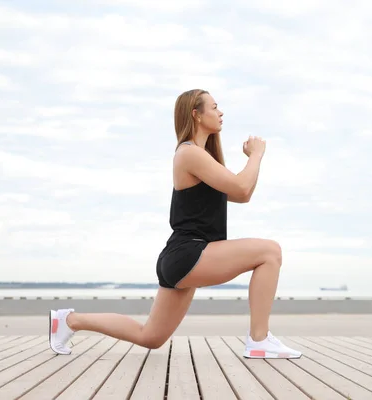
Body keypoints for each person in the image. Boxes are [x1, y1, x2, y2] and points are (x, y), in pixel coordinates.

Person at [48, 89, 302, 359]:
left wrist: (252, 161)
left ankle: (69, 321)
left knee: (150, 337)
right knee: (270, 251)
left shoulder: (203, 158)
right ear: (196, 114)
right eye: (214, 107)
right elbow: (241, 187)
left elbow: (243, 194)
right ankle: (259, 340)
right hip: (189, 252)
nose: (220, 112)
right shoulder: (189, 153)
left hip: (182, 256)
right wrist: (256, 155)